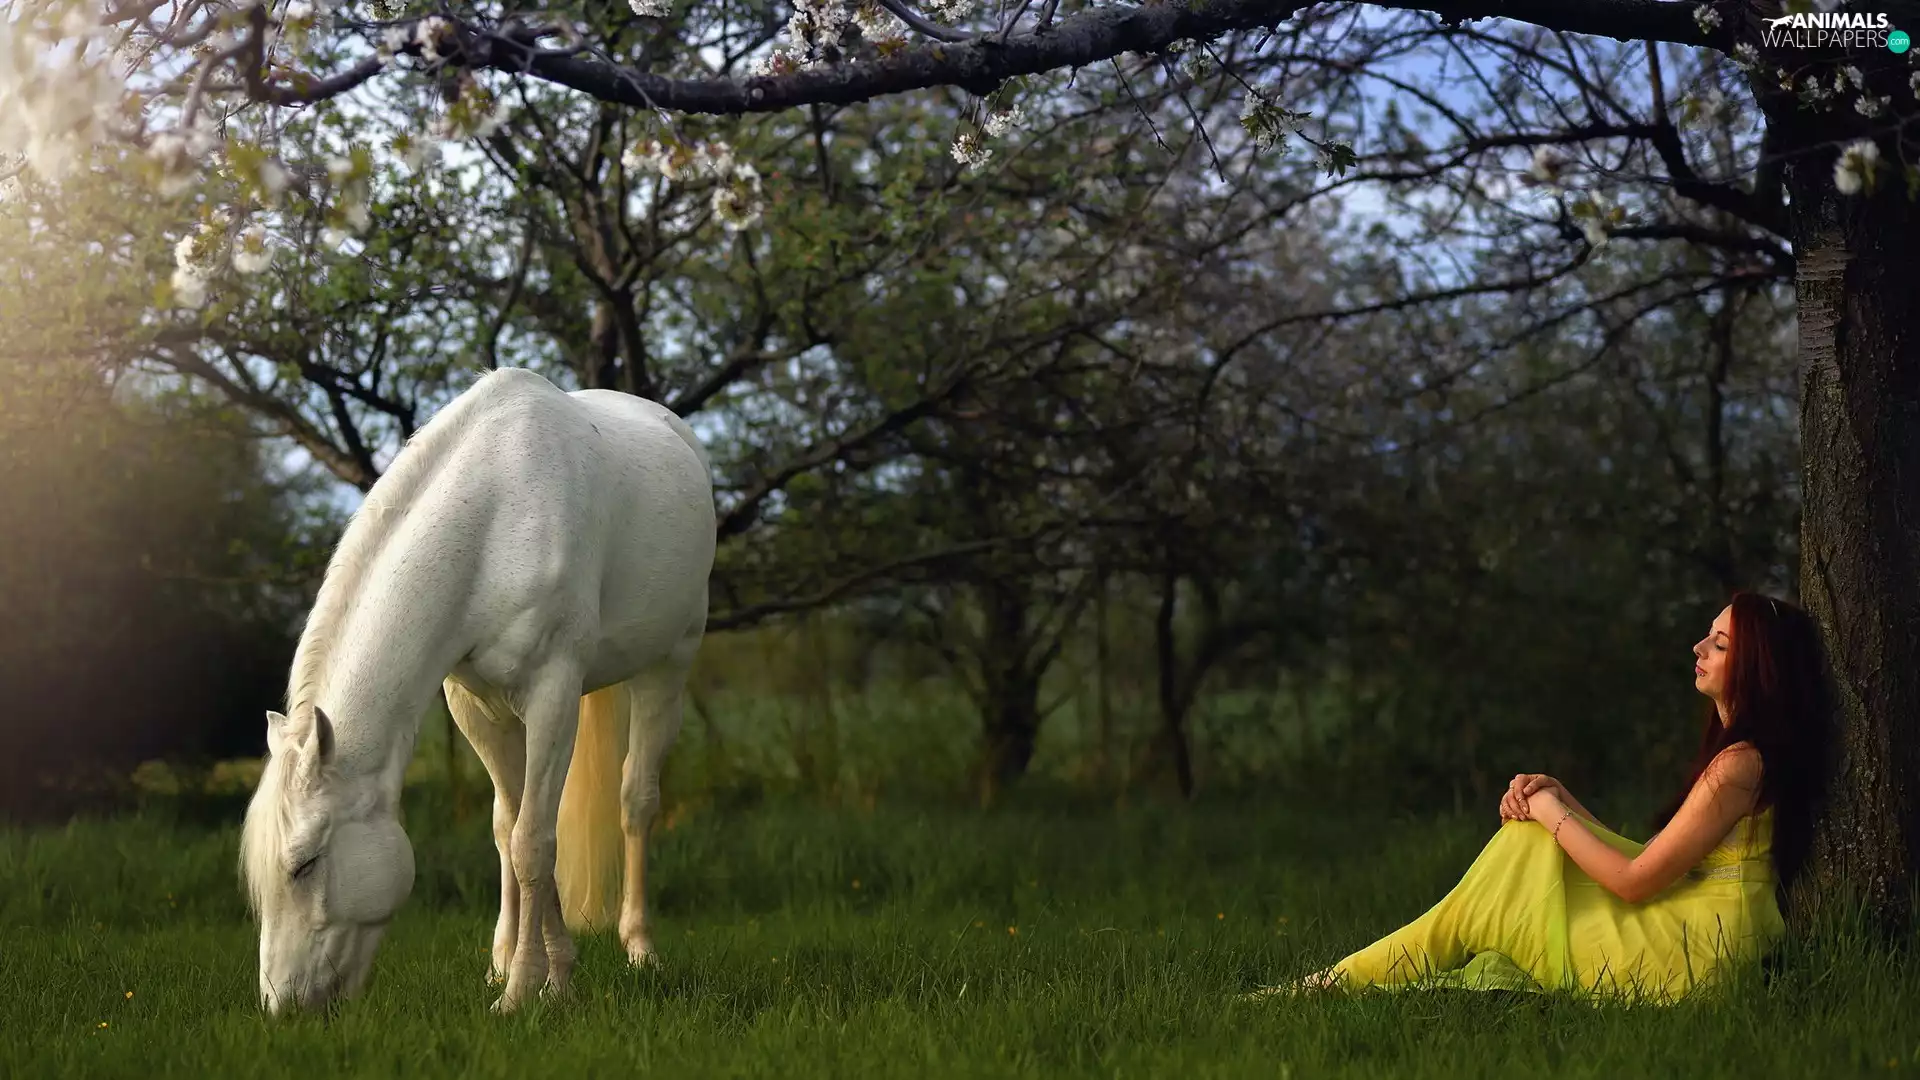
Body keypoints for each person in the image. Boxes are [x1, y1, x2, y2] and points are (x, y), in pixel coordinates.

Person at [1251, 591, 1830, 1003]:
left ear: (1756, 666)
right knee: (1524, 844)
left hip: (1689, 958)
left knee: (1513, 860)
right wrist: (1561, 798)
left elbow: (1635, 880)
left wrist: (1551, 816)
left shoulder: (1738, 764)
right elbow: (1654, 860)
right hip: (1701, 936)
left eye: (1721, 643)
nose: (1698, 647)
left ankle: (1334, 984)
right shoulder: (1746, 759)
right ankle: (1352, 976)